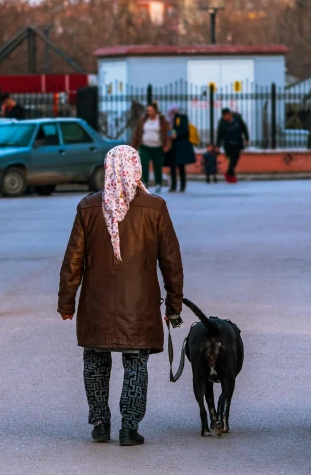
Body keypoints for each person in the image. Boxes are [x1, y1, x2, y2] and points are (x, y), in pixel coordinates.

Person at [57, 145, 184, 446]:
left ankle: (100, 424)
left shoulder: (89, 206)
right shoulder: (155, 207)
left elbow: (73, 261)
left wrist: (67, 303)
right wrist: (174, 304)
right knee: (136, 363)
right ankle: (129, 427)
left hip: (96, 305)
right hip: (138, 307)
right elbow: (171, 260)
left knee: (95, 362)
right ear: (137, 168)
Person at [132, 102, 172, 193]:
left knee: (157, 165)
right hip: (145, 146)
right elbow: (137, 133)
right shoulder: (143, 120)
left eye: (151, 110)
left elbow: (168, 133)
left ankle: (158, 183)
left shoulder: (162, 121)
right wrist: (133, 146)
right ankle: (145, 181)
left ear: (155, 111)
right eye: (148, 110)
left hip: (158, 147)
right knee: (144, 163)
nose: (149, 112)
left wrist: (167, 145)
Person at [166, 107, 196, 193]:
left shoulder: (181, 118)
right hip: (171, 146)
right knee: (172, 167)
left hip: (180, 146)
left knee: (181, 166)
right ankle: (173, 186)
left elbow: (185, 131)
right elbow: (167, 131)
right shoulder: (167, 120)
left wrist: (177, 134)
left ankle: (182, 186)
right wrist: (170, 134)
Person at [216, 108, 249, 183]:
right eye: (223, 116)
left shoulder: (238, 119)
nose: (225, 118)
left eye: (226, 116)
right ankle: (231, 175)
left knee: (236, 159)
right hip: (228, 144)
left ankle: (229, 174)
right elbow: (219, 134)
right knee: (231, 160)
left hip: (237, 143)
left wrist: (247, 138)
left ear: (229, 114)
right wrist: (218, 146)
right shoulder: (222, 122)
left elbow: (244, 129)